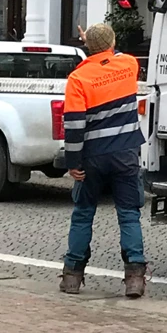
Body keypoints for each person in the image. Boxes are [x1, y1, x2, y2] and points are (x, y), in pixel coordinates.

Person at [59, 23, 148, 297]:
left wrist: (73, 162)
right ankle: (134, 278)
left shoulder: (78, 78)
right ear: (112, 42)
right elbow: (114, 53)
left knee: (83, 214)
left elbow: (73, 124)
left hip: (92, 157)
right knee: (129, 214)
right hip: (125, 153)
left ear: (87, 46)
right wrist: (98, 43)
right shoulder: (128, 65)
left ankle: (72, 276)